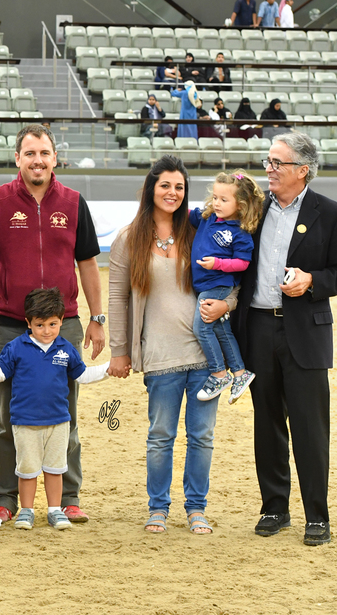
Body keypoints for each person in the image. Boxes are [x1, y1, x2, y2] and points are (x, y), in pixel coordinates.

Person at [0, 124, 104, 527]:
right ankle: (3, 496)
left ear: (54, 157)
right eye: (30, 153)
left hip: (63, 325)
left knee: (64, 415)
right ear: (17, 158)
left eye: (44, 153)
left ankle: (67, 497)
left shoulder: (74, 202)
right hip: (11, 327)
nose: (37, 160)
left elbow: (87, 263)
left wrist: (97, 318)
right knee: (5, 417)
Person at [108, 155, 234, 535]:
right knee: (160, 436)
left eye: (179, 186)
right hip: (160, 356)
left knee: (203, 436)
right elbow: (117, 298)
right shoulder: (129, 238)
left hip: (205, 357)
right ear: (151, 188)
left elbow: (233, 279)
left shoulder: (202, 234)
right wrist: (120, 350)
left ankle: (196, 507)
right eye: (165, 185)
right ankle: (157, 508)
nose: (172, 192)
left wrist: (228, 303)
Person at [231, 133, 337, 546]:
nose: (269, 169)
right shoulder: (252, 210)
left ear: (302, 169)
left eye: (278, 162)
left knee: (310, 427)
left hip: (305, 332)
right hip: (256, 328)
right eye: (268, 161)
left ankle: (317, 516)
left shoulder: (327, 212)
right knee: (267, 422)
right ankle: (274, 507)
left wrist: (314, 281)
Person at [0, 288, 108, 532]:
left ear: (62, 321)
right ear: (28, 323)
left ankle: (55, 510)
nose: (47, 331)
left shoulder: (66, 349)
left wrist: (109, 368)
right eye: (40, 324)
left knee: (55, 469)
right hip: (25, 422)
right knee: (27, 470)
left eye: (53, 324)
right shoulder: (16, 347)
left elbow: (83, 375)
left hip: (58, 422)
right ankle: (27, 510)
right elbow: (0, 374)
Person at [189, 171, 264, 403]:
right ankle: (240, 373)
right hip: (205, 285)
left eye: (224, 199)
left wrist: (217, 264)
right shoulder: (207, 217)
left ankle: (219, 373)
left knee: (201, 328)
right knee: (221, 329)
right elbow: (187, 215)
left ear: (240, 205)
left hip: (219, 284)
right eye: (215, 197)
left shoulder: (240, 232)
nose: (217, 203)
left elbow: (242, 263)